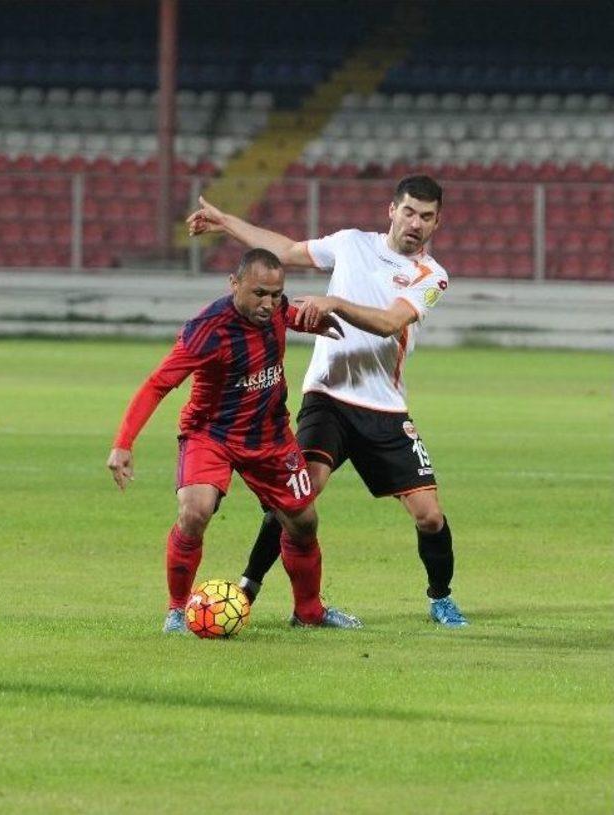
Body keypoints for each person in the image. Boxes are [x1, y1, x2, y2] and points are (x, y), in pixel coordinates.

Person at [186, 175, 469, 628]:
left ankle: (441, 597)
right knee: (296, 499)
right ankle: (248, 586)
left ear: (437, 222)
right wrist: (227, 223)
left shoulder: (431, 276)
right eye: (410, 211)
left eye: (427, 216)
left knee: (430, 516)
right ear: (391, 210)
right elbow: (289, 250)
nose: (416, 223)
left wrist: (334, 301)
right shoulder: (352, 243)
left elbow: (389, 322)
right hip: (328, 399)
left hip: (385, 411)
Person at [107, 248, 361, 633]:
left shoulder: (276, 309)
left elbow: (290, 314)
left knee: (304, 522)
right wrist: (123, 443)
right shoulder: (207, 329)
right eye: (259, 293)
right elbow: (158, 384)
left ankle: (308, 612)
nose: (269, 304)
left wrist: (311, 323)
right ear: (235, 284)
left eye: (276, 295)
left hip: (270, 435)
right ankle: (177, 610)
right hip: (211, 433)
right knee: (195, 511)